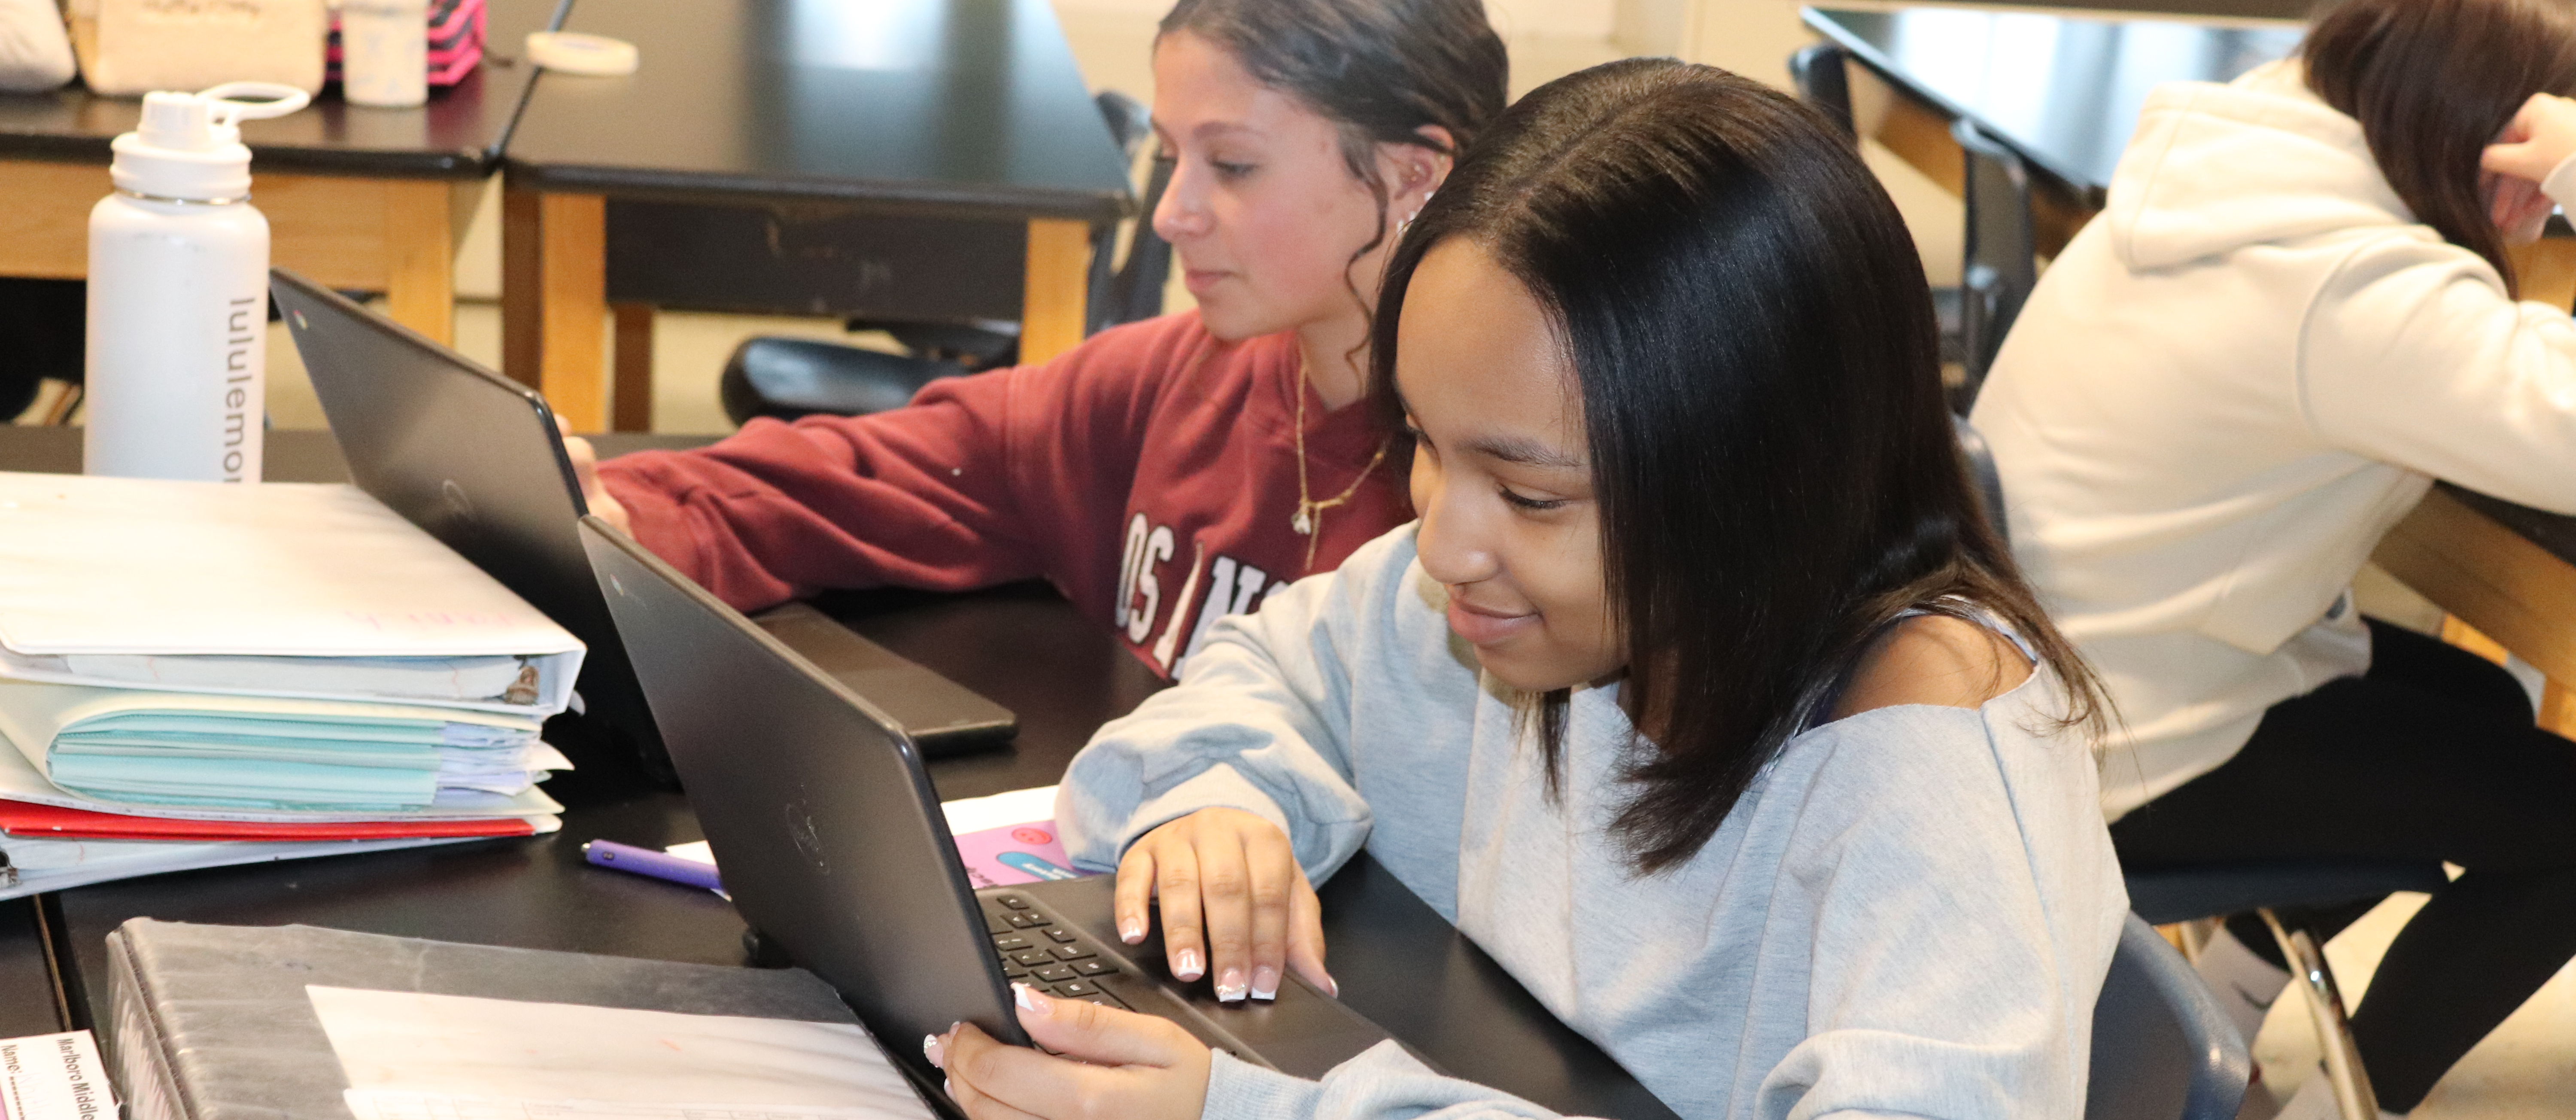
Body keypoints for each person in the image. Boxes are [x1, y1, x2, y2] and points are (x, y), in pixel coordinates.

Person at [920, 58, 2126, 1120]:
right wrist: (1219, 803)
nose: (1440, 543)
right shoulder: (1546, 604)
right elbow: (1272, 664)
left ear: (1762, 477)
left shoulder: (1934, 783)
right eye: (1425, 445)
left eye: (1532, 495)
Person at [1967, 0, 2576, 1114]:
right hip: (2132, 749)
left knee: (2485, 706)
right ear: (2485, 138)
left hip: (2062, 687)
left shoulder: (2250, 167)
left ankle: (2226, 1005)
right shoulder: (2358, 292)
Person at [565, 0, 1506, 679]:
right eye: (1172, 160)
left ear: (1413, 174)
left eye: (1233, 165)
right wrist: (619, 510)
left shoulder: (1512, 486)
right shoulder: (1170, 379)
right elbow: (872, 477)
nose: (1172, 214)